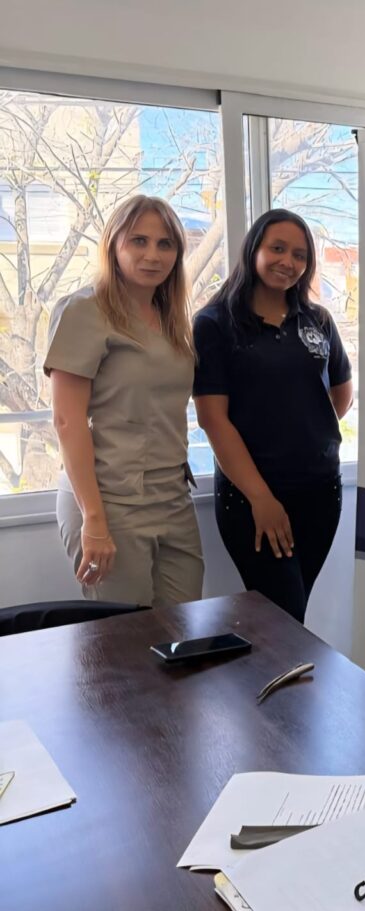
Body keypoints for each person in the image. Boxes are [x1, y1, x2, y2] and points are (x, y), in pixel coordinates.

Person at [193, 209, 353, 623]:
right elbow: (213, 420)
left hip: (321, 493)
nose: (289, 262)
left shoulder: (317, 320)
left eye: (299, 254)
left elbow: (340, 391)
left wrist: (303, 430)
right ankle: (275, 687)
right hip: (253, 498)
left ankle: (270, 686)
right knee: (283, 615)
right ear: (253, 251)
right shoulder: (215, 324)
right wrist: (262, 498)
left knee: (288, 621)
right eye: (277, 248)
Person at [46, 195, 203, 607]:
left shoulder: (171, 319)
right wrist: (94, 521)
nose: (152, 254)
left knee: (182, 638)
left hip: (172, 498)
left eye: (165, 244)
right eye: (139, 241)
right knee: (124, 650)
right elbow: (67, 421)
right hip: (109, 501)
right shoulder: (84, 311)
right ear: (114, 244)